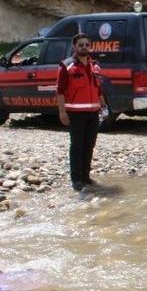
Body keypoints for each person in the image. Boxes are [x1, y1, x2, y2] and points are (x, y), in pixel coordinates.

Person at [56, 33, 107, 191]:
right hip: (75, 114)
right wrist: (62, 113)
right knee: (77, 146)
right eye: (80, 45)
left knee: (89, 145)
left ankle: (85, 176)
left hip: (93, 113)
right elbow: (60, 91)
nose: (84, 47)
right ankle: (76, 179)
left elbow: (98, 90)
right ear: (74, 47)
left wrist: (104, 107)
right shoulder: (67, 66)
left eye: (86, 44)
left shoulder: (95, 66)